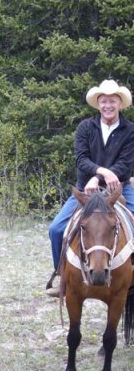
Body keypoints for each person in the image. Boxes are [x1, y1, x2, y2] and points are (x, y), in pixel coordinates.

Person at [47, 79, 134, 297]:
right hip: (86, 191)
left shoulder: (130, 130)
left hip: (120, 189)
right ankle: (62, 275)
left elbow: (125, 163)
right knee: (56, 229)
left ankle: (129, 276)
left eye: (112, 101)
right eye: (104, 101)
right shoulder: (85, 127)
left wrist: (101, 176)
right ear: (98, 104)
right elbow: (81, 159)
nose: (108, 105)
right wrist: (100, 173)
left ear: (120, 104)